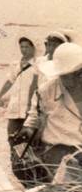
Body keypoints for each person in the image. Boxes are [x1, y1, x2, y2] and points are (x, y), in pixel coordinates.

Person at [18, 43, 82, 182]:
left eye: (78, 74)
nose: (71, 79)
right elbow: (33, 118)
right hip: (57, 156)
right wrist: (27, 131)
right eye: (65, 75)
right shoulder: (46, 91)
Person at [0, 36, 39, 140]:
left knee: (27, 141)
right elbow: (9, 82)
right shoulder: (16, 65)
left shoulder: (37, 65)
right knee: (11, 138)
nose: (24, 50)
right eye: (22, 47)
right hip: (15, 108)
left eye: (27, 47)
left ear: (33, 48)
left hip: (29, 109)